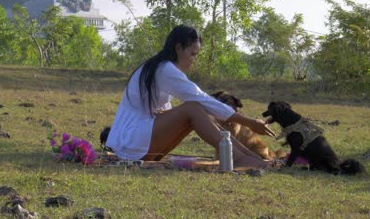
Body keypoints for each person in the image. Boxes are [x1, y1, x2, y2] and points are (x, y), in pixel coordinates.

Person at [106, 24, 276, 169]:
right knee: (193, 108)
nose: (194, 60)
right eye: (193, 54)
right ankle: (239, 158)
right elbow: (202, 98)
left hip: (137, 143)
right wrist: (250, 123)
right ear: (178, 48)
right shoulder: (165, 69)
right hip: (129, 144)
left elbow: (171, 111)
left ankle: (246, 155)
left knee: (197, 111)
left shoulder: (160, 68)